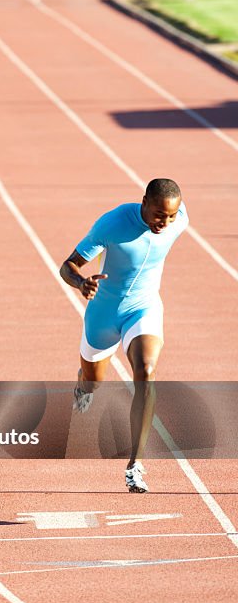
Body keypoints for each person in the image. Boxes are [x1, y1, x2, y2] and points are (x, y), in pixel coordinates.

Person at [60, 178, 188, 493]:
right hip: (103, 314)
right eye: (159, 214)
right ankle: (83, 385)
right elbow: (68, 265)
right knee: (93, 380)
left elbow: (174, 219)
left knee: (145, 372)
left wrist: (172, 219)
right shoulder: (113, 222)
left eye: (170, 216)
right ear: (144, 202)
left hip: (143, 309)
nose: (165, 223)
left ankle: (135, 465)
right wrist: (81, 284)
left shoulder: (179, 219)